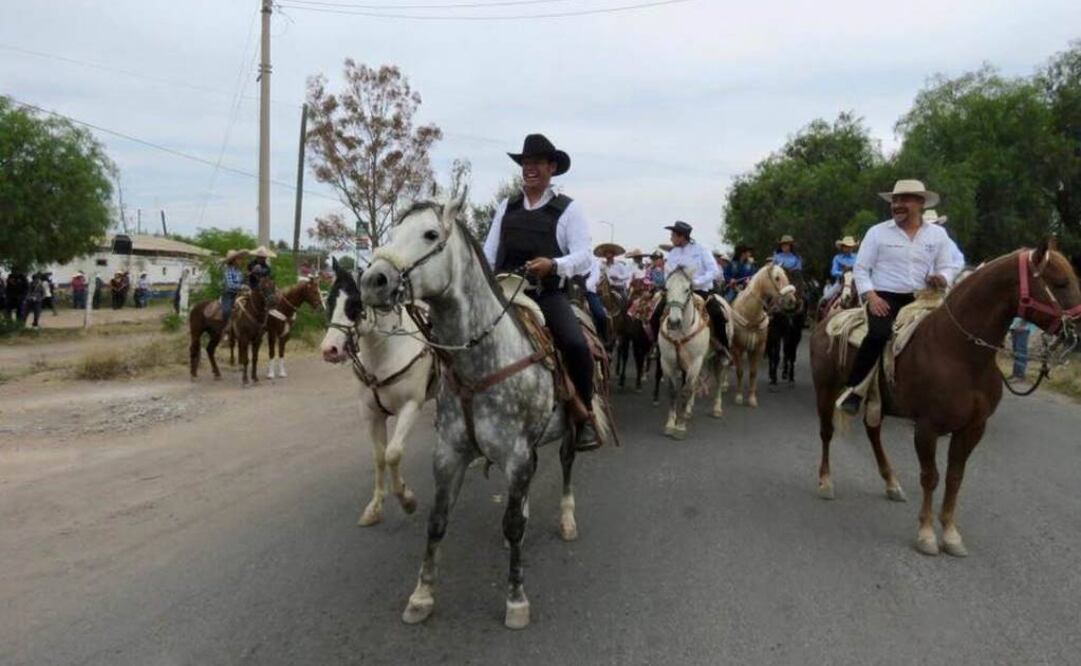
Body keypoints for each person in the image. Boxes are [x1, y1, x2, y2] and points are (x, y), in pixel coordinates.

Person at [482, 133, 598, 450]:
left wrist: (554, 264)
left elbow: (585, 255)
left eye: (536, 163)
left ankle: (584, 415)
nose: (529, 168)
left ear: (551, 167)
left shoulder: (568, 210)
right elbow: (489, 253)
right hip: (504, 293)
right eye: (526, 163)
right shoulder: (507, 206)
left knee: (575, 344)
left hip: (546, 294)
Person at [839, 179, 961, 415]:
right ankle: (855, 389)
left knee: (951, 333)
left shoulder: (938, 235)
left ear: (920, 203)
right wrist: (872, 297)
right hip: (886, 296)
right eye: (895, 201)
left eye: (904, 200)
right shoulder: (877, 233)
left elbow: (949, 266)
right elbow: (861, 269)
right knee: (878, 334)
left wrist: (943, 278)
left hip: (924, 297)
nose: (897, 204)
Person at [649, 220, 728, 349]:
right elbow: (667, 272)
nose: (671, 238)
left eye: (673, 235)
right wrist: (670, 284)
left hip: (700, 291)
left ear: (681, 236)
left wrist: (696, 282)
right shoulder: (673, 253)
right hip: (675, 292)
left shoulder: (701, 250)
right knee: (655, 314)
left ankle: (723, 348)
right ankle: (656, 346)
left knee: (718, 315)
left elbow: (714, 271)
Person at [821, 236, 859, 304]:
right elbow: (833, 271)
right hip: (841, 283)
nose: (848, 248)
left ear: (853, 247)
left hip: (857, 283)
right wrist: (843, 273)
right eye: (846, 246)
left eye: (850, 246)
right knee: (824, 299)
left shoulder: (857, 257)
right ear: (842, 247)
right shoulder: (837, 258)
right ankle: (822, 313)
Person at [584, 256, 611, 344]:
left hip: (589, 292)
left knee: (600, 315)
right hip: (572, 292)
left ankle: (602, 337)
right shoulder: (569, 258)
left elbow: (594, 278)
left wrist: (583, 286)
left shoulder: (594, 262)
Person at [222, 250, 246, 323]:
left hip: (240, 294)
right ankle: (226, 328)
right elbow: (230, 285)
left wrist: (246, 287)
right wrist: (242, 287)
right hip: (230, 294)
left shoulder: (239, 271)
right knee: (227, 311)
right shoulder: (228, 271)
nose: (241, 260)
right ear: (233, 260)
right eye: (239, 259)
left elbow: (242, 282)